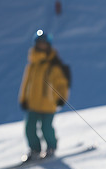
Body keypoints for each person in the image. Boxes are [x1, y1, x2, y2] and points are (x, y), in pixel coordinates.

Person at [18, 29, 70, 161]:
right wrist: (23, 98)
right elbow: (26, 84)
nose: (41, 45)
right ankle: (35, 149)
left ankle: (51, 147)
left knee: (46, 128)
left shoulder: (54, 65)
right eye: (39, 43)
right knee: (30, 128)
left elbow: (61, 84)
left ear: (48, 45)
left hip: (48, 103)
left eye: (44, 43)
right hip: (33, 103)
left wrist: (61, 98)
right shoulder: (32, 65)